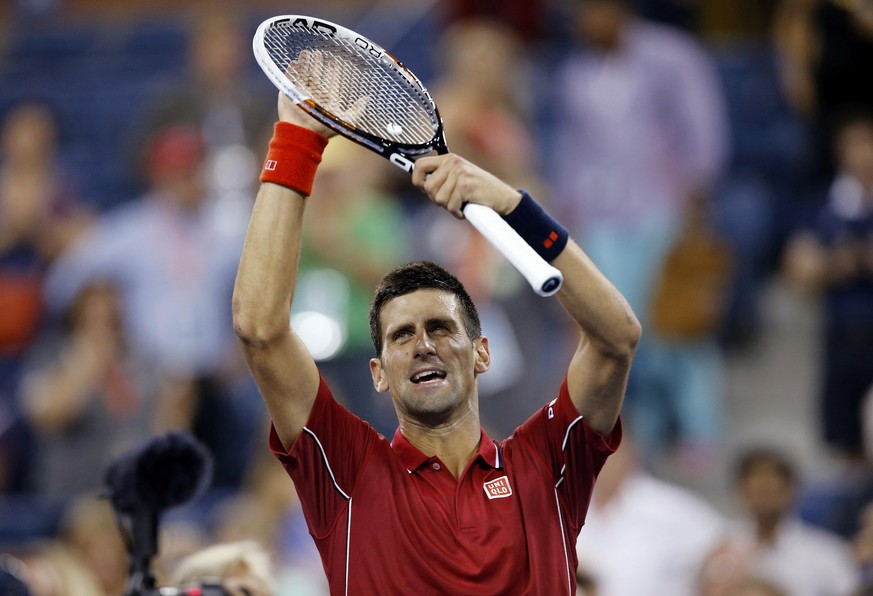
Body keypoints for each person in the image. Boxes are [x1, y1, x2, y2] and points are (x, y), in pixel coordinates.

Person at [231, 81, 641, 593]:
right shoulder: (347, 470)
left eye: (441, 327)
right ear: (377, 372)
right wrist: (295, 139)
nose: (423, 343)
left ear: (482, 353)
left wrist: (512, 206)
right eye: (401, 335)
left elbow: (616, 338)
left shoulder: (545, 463)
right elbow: (260, 330)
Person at [551, 0, 730, 467]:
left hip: (663, 209)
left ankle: (700, 427)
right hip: (601, 217)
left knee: (677, 320)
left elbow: (703, 124)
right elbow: (572, 146)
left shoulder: (671, 56)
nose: (586, 22)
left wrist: (696, 195)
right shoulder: (575, 72)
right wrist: (571, 212)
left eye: (593, 13)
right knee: (620, 326)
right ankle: (644, 431)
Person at [698, 447, 858, 596]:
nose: (763, 499)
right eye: (756, 491)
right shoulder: (718, 550)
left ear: (790, 491)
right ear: (740, 492)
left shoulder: (827, 553)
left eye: (769, 490)